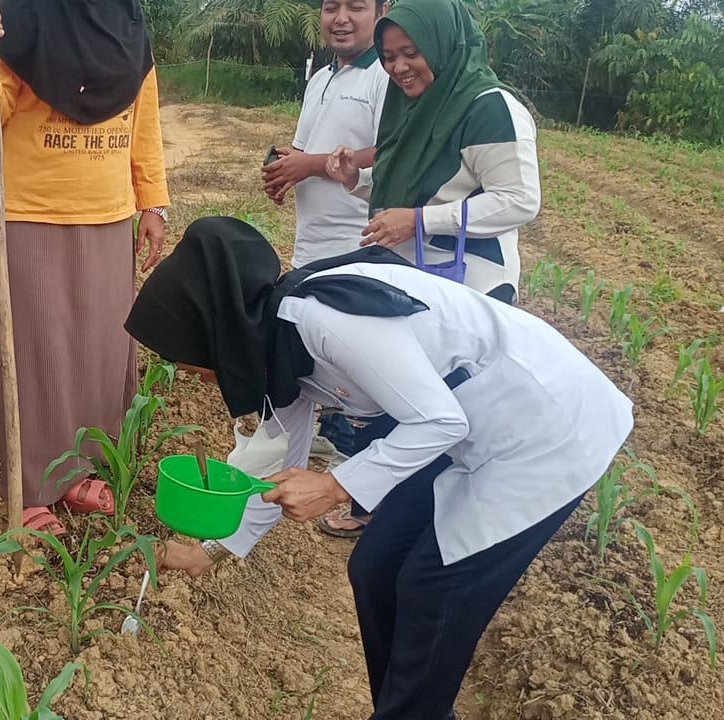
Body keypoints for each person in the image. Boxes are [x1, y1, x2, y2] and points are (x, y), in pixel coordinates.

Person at [126, 217, 633, 720]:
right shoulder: (275, 346)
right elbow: (284, 464)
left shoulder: (324, 321)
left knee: (434, 588)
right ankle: (407, 709)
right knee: (374, 569)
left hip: (544, 429)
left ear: (210, 333)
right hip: (469, 430)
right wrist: (211, 551)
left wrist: (334, 485)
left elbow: (439, 420)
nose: (190, 374)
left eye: (185, 357)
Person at [0, 0, 170, 535]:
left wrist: (152, 202)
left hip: (110, 209)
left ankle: (80, 469)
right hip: (31, 209)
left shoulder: (127, 22)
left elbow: (144, 118)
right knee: (37, 351)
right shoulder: (18, 14)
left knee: (100, 347)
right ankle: (32, 485)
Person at [260, 0, 391, 538]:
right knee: (309, 351)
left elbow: (391, 153)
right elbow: (307, 144)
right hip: (312, 241)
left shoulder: (385, 75)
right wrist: (284, 168)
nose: (341, 17)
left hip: (357, 241)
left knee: (367, 367)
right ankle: (313, 450)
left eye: (355, 6)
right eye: (330, 6)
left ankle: (370, 497)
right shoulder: (320, 76)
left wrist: (309, 165)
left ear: (381, 12)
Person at [326, 0, 540, 305]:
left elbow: (519, 201)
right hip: (413, 277)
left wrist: (419, 220)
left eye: (411, 54)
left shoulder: (488, 109)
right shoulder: (415, 105)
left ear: (442, 43)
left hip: (473, 284)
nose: (399, 68)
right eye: (388, 58)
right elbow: (418, 185)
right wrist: (356, 179)